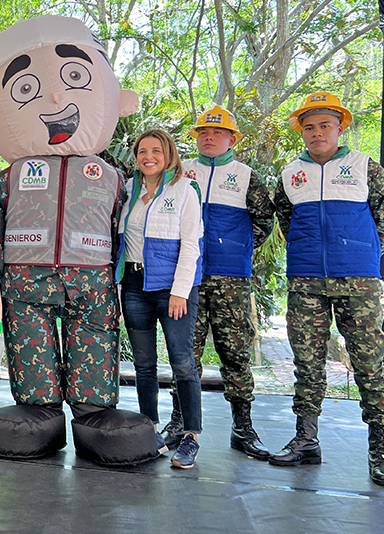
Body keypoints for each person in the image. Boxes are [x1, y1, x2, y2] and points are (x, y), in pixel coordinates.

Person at [0, 15, 144, 461]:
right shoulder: (10, 176)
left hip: (92, 279)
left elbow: (133, 221)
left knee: (94, 340)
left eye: (75, 78)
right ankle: (38, 410)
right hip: (25, 278)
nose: (56, 96)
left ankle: (94, 410)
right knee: (28, 344)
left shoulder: (114, 176)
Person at [271, 92, 384, 487]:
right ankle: (306, 440)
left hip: (359, 280)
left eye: (324, 125)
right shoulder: (289, 174)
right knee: (307, 362)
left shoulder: (365, 167)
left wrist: (369, 257)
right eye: (309, 126)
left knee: (370, 365)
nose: (316, 133)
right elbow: (286, 219)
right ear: (301, 131)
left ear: (341, 127)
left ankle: (380, 447)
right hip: (305, 280)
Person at [162, 105, 274, 459]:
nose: (208, 138)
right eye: (203, 133)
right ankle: (179, 422)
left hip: (231, 278)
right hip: (186, 278)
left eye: (217, 133)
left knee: (235, 352)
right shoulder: (180, 173)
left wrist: (236, 248)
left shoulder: (245, 176)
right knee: (184, 354)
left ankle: (243, 427)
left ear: (231, 138)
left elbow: (264, 222)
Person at [116, 129, 204, 469]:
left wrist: (181, 290)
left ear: (168, 155)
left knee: (182, 363)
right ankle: (149, 429)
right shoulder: (129, 190)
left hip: (173, 289)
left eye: (156, 150)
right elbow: (121, 241)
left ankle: (190, 436)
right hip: (135, 286)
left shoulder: (185, 189)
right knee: (143, 364)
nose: (148, 156)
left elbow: (191, 244)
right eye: (142, 151)